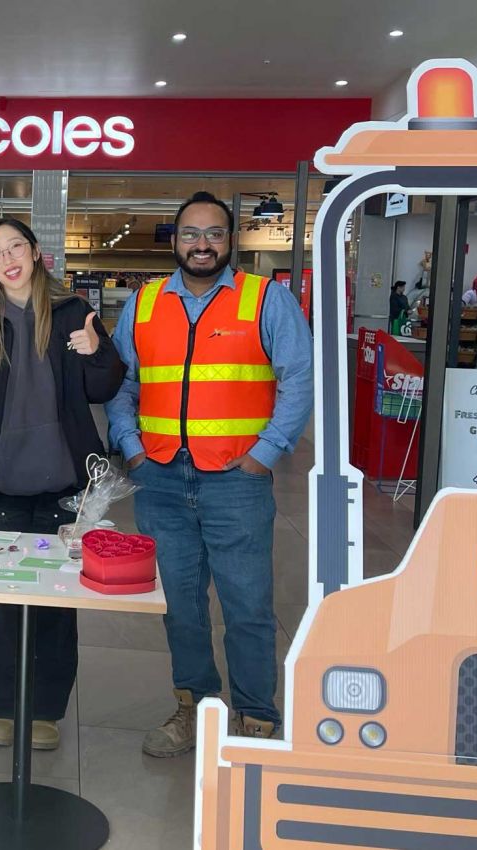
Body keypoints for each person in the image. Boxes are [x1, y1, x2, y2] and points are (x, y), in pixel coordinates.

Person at [105, 191, 313, 757]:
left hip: (237, 481)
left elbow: (299, 380)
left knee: (248, 605)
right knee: (181, 606)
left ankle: (255, 716)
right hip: (162, 478)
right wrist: (133, 447)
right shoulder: (143, 304)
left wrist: (264, 454)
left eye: (214, 234)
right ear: (174, 241)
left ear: (231, 241)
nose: (202, 244)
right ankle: (194, 706)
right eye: (191, 234)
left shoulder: (266, 299)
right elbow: (121, 385)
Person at [0, 219, 123, 752]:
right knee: (5, 601)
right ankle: (4, 706)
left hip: (66, 485)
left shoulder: (73, 312)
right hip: (3, 485)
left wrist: (95, 350)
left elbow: (104, 385)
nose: (7, 259)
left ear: (36, 252)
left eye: (15, 247)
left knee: (55, 600)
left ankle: (45, 710)